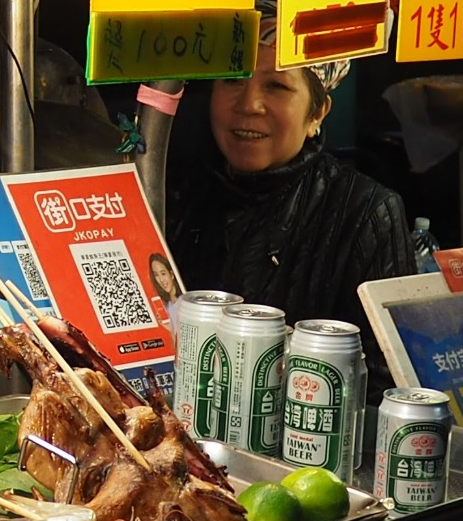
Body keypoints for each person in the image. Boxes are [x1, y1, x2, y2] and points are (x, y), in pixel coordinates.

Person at [163, 35, 415, 347]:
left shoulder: (367, 213)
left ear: (317, 113)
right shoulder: (176, 194)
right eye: (232, 79)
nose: (248, 105)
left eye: (276, 86)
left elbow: (387, 369)